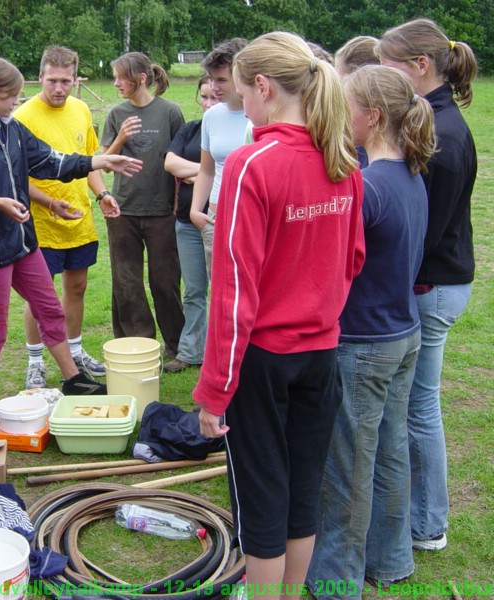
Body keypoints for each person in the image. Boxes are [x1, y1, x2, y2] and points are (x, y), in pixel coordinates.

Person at [194, 32, 365, 600]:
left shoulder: (250, 164)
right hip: (322, 354)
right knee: (301, 492)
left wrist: (214, 391)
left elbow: (233, 293)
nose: (238, 105)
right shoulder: (342, 157)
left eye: (240, 94)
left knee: (264, 497)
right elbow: (353, 258)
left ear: (263, 88)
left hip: (263, 361)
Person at [0, 57, 142, 428]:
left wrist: (100, 162)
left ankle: (72, 380)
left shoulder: (12, 131)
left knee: (51, 310)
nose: (17, 102)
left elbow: (52, 162)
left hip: (24, 244)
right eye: (13, 96)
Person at [307, 65, 435, 596]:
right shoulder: (409, 172)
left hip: (365, 344)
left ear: (373, 116)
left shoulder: (368, 187)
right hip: (403, 333)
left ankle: (337, 580)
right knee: (390, 449)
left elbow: (336, 266)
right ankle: (392, 558)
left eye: (349, 106)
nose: (343, 116)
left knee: (349, 469)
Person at [378, 18, 478, 552]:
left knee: (419, 406)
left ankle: (428, 523)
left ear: (420, 66)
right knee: (418, 404)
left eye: (388, 65)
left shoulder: (443, 129)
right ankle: (421, 513)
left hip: (432, 284)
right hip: (437, 279)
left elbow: (425, 227)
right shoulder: (435, 117)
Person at [13, 46, 119, 389]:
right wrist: (47, 203)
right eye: (53, 80)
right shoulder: (23, 117)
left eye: (66, 81)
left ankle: (74, 350)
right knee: (38, 294)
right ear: (40, 77)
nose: (59, 88)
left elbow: (89, 161)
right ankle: (34, 360)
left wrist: (102, 195)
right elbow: (18, 177)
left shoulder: (81, 109)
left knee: (78, 286)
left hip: (80, 218)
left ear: (76, 79)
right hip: (41, 222)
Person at [101, 52, 185, 361]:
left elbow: (181, 160)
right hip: (123, 212)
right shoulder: (116, 114)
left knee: (165, 282)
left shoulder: (170, 112)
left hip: (162, 211)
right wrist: (121, 137)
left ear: (140, 79)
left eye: (121, 77)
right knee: (128, 283)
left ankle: (178, 345)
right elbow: (105, 164)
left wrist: (178, 204)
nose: (116, 83)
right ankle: (139, 347)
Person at [160, 76, 219, 374]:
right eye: (204, 97)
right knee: (194, 290)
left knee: (224, 291)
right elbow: (170, 164)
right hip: (186, 221)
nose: (209, 104)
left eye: (215, 98)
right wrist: (210, 170)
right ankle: (190, 351)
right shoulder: (192, 129)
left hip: (221, 221)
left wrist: (196, 174)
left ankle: (222, 354)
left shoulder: (239, 130)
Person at [189, 38, 249, 280]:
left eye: (221, 80)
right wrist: (195, 210)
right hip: (215, 219)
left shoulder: (263, 114)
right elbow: (207, 170)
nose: (214, 87)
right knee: (221, 294)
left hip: (249, 219)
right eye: (211, 79)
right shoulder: (212, 116)